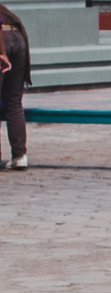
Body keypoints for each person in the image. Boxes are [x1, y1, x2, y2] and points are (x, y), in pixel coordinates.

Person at [0, 2, 27, 171]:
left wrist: (2, 52)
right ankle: (19, 156)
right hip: (18, 37)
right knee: (13, 101)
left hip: (2, 40)